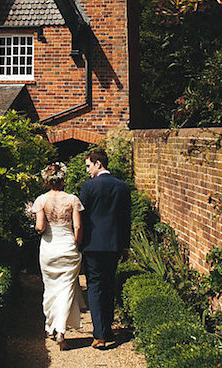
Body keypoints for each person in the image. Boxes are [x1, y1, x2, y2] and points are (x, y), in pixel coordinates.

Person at [79, 148, 131, 349]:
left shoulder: (89, 186)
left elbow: (82, 217)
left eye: (89, 166)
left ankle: (99, 334)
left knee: (94, 286)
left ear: (98, 164)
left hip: (92, 245)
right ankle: (107, 329)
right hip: (113, 245)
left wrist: (79, 242)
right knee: (109, 285)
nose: (88, 170)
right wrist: (125, 246)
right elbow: (126, 219)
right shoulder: (122, 187)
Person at [32, 162, 84, 351]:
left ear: (47, 180)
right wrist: (76, 245)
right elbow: (78, 227)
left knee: (51, 287)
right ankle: (61, 330)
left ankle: (51, 326)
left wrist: (35, 224)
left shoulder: (41, 200)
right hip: (68, 246)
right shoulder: (72, 199)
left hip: (49, 248)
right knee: (67, 289)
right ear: (63, 180)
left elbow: (40, 227)